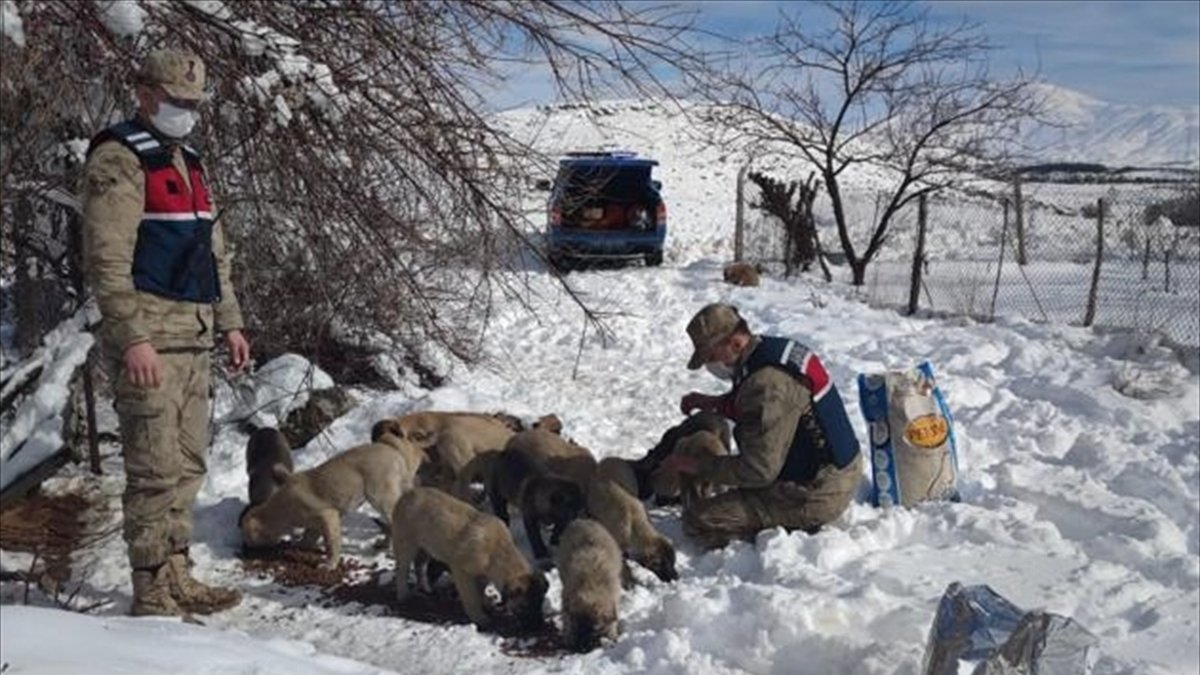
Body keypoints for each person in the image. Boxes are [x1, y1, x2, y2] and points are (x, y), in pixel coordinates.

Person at [81, 49, 249, 617]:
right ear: (146, 94)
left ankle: (177, 570)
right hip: (150, 337)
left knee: (187, 465)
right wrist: (131, 338)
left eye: (196, 104)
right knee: (153, 471)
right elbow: (107, 261)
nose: (189, 113)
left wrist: (230, 322)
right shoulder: (119, 159)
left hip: (195, 334)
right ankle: (151, 586)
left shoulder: (188, 160)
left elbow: (213, 253)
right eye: (179, 102)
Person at [660, 303, 863, 548]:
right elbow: (755, 407)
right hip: (833, 465)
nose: (710, 365)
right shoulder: (766, 351)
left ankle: (779, 528)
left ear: (735, 342)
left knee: (699, 520)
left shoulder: (768, 383)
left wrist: (696, 466)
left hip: (817, 491)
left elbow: (758, 470)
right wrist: (712, 403)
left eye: (712, 356)